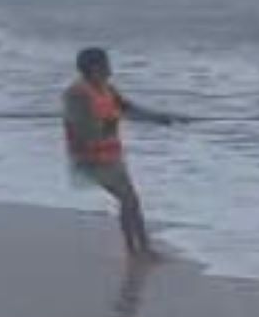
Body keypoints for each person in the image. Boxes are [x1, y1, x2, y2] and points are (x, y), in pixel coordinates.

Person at [62, 46, 187, 259]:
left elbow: (128, 109)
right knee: (129, 200)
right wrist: (110, 122)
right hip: (90, 160)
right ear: (94, 68)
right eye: (106, 65)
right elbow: (85, 131)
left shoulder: (107, 88)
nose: (110, 69)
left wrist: (159, 118)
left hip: (111, 156)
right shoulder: (76, 95)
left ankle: (137, 249)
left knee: (130, 201)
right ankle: (139, 251)